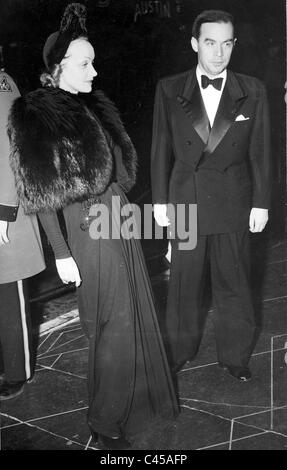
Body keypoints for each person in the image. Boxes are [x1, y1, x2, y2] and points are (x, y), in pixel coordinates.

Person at [8, 3, 178, 449]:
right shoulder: (36, 113)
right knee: (111, 321)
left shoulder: (87, 105)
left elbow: (117, 170)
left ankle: (135, 405)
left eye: (94, 61)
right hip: (85, 224)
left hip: (115, 213)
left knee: (128, 314)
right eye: (85, 63)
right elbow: (40, 194)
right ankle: (105, 421)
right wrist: (62, 253)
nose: (95, 71)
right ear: (58, 68)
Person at [151, 10, 271, 382]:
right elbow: (160, 149)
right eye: (209, 42)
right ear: (194, 44)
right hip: (185, 200)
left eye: (226, 43)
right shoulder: (170, 88)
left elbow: (262, 152)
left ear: (234, 45)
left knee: (233, 282)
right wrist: (158, 202)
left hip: (233, 199)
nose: (218, 53)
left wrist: (262, 202)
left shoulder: (252, 89)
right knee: (185, 284)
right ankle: (179, 351)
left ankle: (235, 356)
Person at [0, 56, 45, 400]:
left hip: (5, 209)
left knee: (7, 295)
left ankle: (17, 371)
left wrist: (4, 210)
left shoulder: (1, 86)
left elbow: (10, 151)